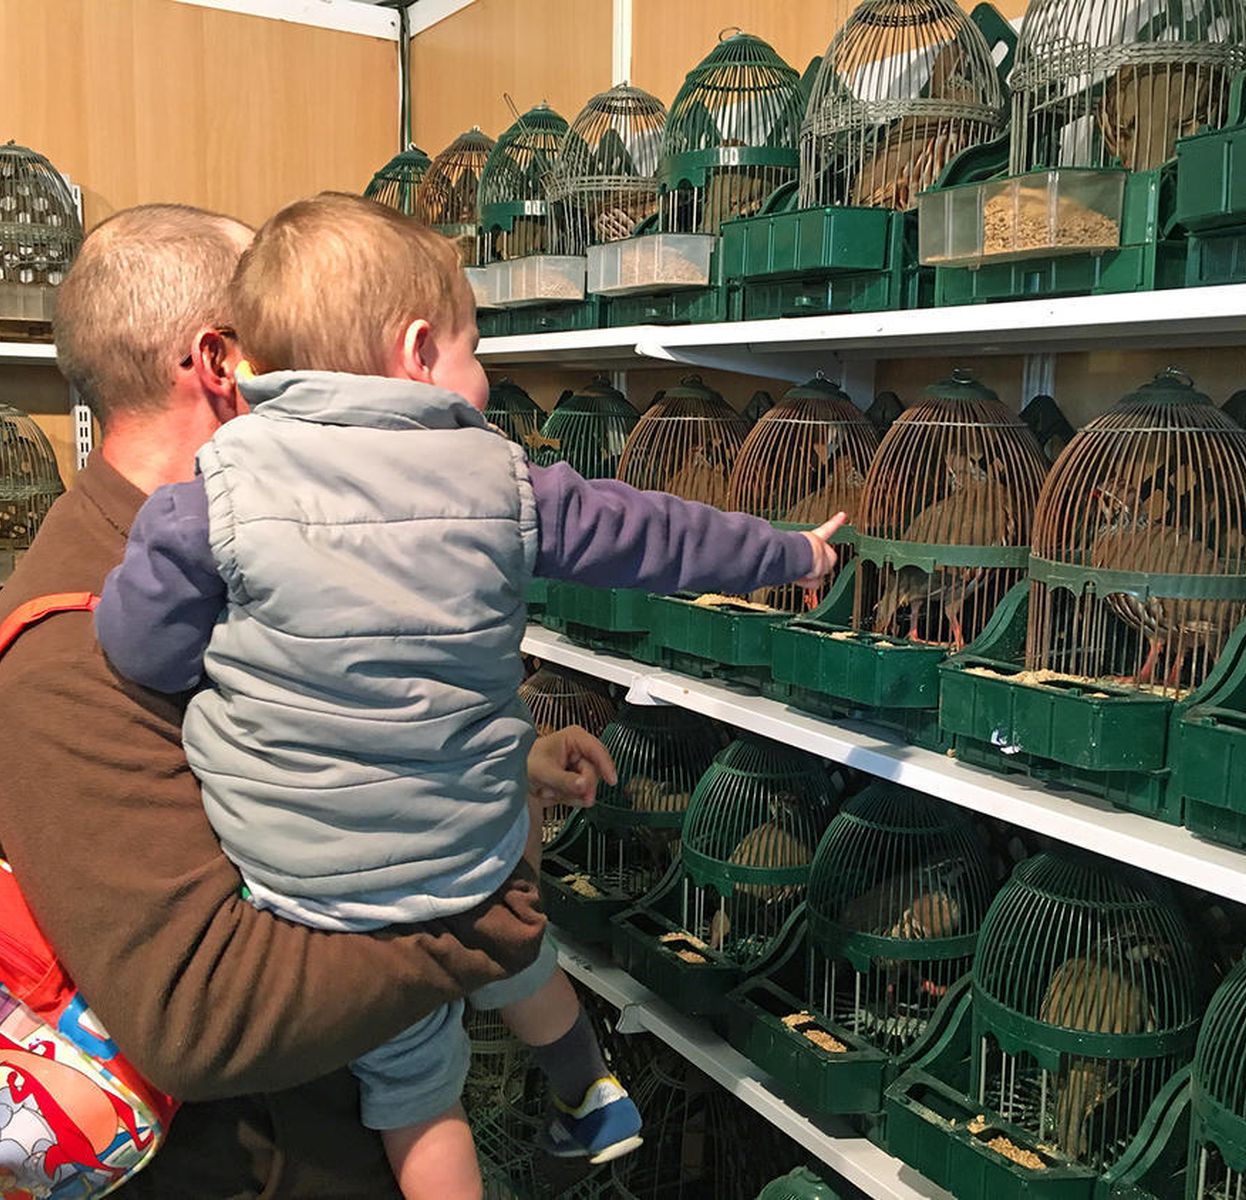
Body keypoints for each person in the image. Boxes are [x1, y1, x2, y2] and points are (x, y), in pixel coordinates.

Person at [92, 193, 845, 1200]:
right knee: (488, 901)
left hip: (301, 881)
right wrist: (790, 550)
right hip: (465, 847)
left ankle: (573, 1095)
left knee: (419, 1102)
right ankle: (585, 1083)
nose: (479, 374)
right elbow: (656, 534)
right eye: (473, 347)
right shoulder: (504, 484)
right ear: (415, 351)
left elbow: (138, 651)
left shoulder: (207, 499)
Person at [0, 203, 614, 1200]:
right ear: (222, 363)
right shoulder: (67, 651)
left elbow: (306, 722)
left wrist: (492, 758)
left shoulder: (256, 544)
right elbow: (202, 1016)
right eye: (300, 336)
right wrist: (487, 910)